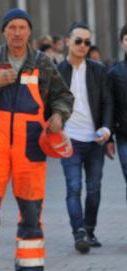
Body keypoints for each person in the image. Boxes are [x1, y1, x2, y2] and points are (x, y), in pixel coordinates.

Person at [0, 8, 74, 271]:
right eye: (11, 27)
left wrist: (59, 116)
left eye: (22, 27)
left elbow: (63, 96)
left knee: (31, 211)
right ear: (4, 31)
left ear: (29, 31)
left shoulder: (42, 63)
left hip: (30, 147)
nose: (16, 32)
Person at [58, 22, 113, 253]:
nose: (83, 45)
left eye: (87, 42)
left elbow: (107, 102)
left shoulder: (99, 70)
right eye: (78, 41)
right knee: (73, 188)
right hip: (68, 139)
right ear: (68, 42)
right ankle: (78, 232)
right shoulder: (57, 71)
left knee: (94, 188)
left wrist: (107, 130)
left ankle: (89, 229)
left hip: (95, 140)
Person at [107, 24, 127, 202]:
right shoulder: (114, 73)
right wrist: (108, 137)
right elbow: (109, 106)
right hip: (124, 135)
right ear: (122, 42)